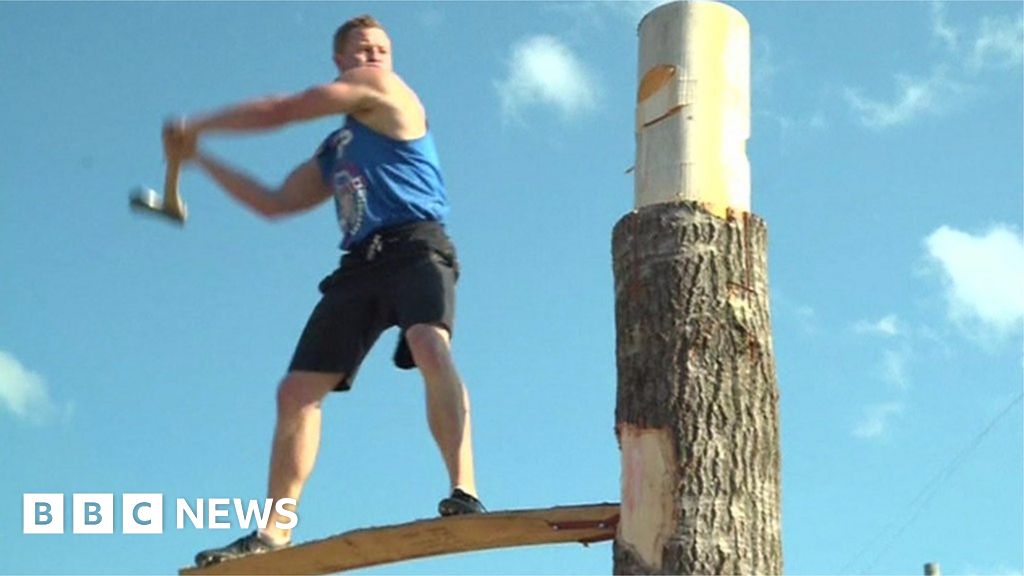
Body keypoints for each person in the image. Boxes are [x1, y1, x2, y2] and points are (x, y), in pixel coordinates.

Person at [164, 15, 485, 568]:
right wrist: (200, 159)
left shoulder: (387, 91)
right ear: (340, 59)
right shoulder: (337, 146)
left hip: (416, 247)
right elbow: (275, 202)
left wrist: (200, 124)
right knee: (295, 393)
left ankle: (464, 490)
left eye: (383, 48)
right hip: (359, 265)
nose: (376, 57)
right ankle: (273, 531)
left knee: (430, 344)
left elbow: (281, 109)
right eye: (363, 50)